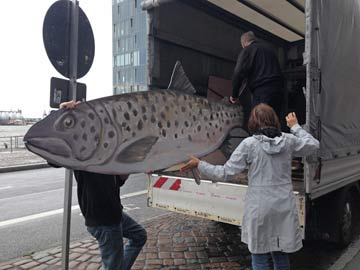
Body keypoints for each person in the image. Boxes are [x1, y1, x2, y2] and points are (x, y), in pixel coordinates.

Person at [181, 103, 319, 270]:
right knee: (281, 254)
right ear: (274, 120)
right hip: (283, 207)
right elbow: (313, 145)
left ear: (253, 122)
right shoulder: (288, 141)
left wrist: (200, 164)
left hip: (259, 208)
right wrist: (295, 126)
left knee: (259, 257)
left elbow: (224, 173)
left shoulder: (249, 144)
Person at [59, 101, 147, 270]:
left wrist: (134, 166)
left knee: (139, 236)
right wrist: (62, 113)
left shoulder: (109, 151)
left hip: (115, 214)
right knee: (112, 265)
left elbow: (118, 180)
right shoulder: (81, 154)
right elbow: (54, 154)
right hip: (103, 220)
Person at [230, 31, 284, 119]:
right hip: (278, 91)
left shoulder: (248, 50)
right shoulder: (270, 50)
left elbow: (238, 72)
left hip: (262, 92)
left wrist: (234, 94)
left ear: (243, 44)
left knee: (261, 121)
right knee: (274, 120)